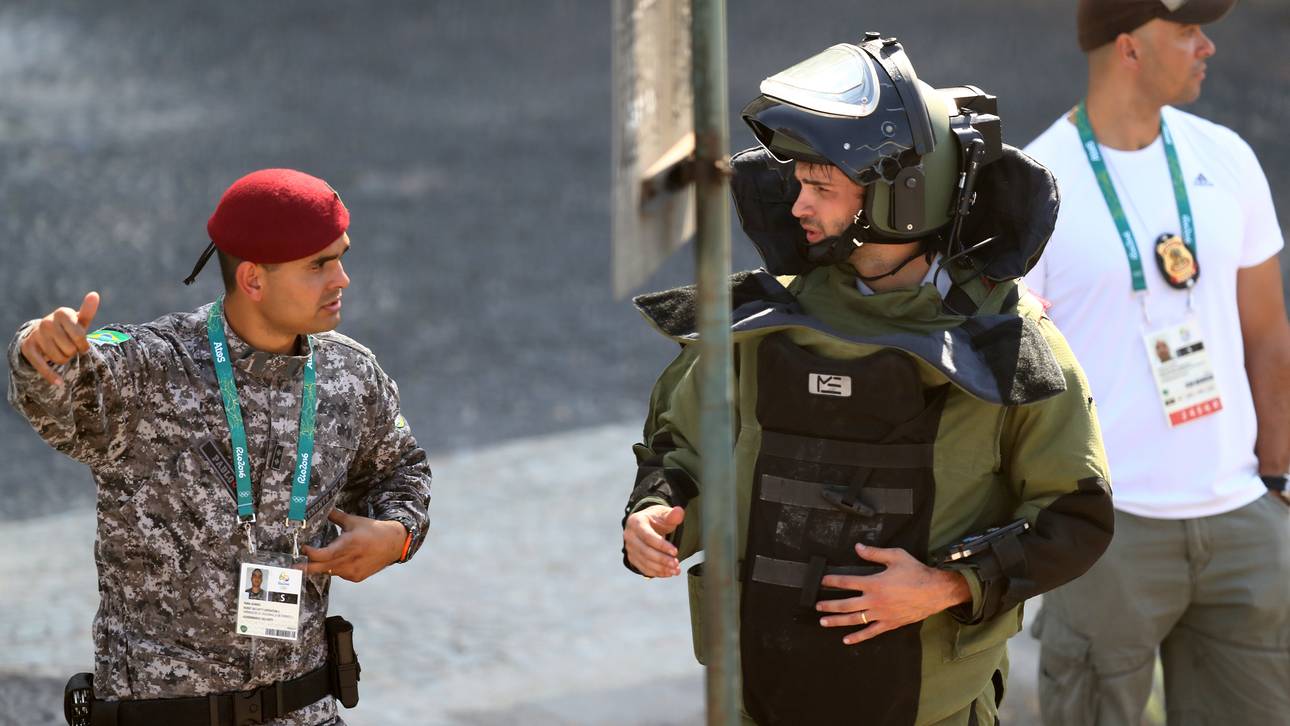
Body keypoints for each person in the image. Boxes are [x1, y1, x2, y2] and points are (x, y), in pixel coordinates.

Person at [621, 35, 1115, 726]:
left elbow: (1076, 517)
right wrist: (654, 518)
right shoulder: (765, 324)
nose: (797, 205)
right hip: (759, 694)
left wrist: (947, 586)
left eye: (821, 186)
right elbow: (682, 452)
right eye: (798, 182)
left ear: (902, 199)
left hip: (929, 706)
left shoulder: (1005, 345)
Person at [8, 168, 432, 726]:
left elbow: (402, 469)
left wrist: (398, 535)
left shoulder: (350, 375)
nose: (342, 279)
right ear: (254, 280)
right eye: (319, 264)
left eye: (341, 256)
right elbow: (67, 388)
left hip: (306, 712)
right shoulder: (155, 367)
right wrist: (39, 350)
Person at [1021, 1, 1290, 723]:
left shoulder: (1224, 157)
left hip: (1242, 518)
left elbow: (1267, 331)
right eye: (1188, 31)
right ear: (1129, 47)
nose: (1207, 46)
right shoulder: (1036, 187)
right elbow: (1013, 377)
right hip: (1108, 532)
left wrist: (1278, 482)